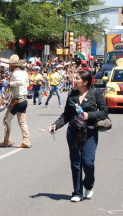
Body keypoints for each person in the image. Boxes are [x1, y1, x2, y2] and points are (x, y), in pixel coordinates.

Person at [49, 71, 108, 202]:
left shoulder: (95, 93)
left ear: (85, 82)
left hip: (90, 132)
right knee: (76, 163)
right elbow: (66, 115)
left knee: (88, 162)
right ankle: (77, 192)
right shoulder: (72, 94)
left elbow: (104, 112)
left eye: (77, 78)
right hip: (73, 132)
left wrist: (89, 115)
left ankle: (89, 185)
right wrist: (55, 125)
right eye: (74, 78)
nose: (73, 80)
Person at [0, 55, 31, 148]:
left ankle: (7, 140)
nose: (9, 66)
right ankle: (26, 141)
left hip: (17, 100)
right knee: (22, 122)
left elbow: (19, 82)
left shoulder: (16, 73)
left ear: (12, 65)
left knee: (6, 120)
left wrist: (9, 83)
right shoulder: (22, 72)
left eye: (9, 65)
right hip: (23, 99)